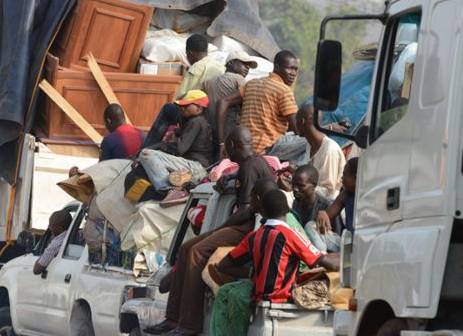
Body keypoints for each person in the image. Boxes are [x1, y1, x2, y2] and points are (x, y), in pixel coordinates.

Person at [143, 126, 274, 336]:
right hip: (244, 224)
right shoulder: (252, 163)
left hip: (248, 227)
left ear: (232, 145)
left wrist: (220, 229)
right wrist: (229, 178)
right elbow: (245, 175)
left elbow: (247, 209)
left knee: (196, 252)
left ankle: (189, 324)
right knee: (186, 248)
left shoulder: (250, 166)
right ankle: (172, 318)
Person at [216, 189, 339, 304]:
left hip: (257, 301)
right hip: (283, 300)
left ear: (263, 212)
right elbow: (330, 264)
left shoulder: (253, 236)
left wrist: (253, 274)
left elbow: (223, 266)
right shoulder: (291, 234)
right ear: (288, 210)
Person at [143, 34, 224, 147]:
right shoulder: (220, 66)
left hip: (198, 114)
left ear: (190, 53)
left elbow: (181, 97)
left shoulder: (196, 67)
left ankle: (146, 147)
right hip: (215, 115)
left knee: (168, 109)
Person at [216, 50, 299, 154]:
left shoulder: (252, 83)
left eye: (296, 70)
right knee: (314, 140)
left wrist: (222, 143)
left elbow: (222, 102)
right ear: (277, 67)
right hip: (267, 147)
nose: (294, 74)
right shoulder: (284, 90)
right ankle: (295, 167)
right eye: (290, 69)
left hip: (245, 146)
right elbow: (296, 128)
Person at [139, 90, 214, 204]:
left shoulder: (196, 122)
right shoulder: (199, 122)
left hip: (195, 167)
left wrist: (158, 147)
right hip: (195, 166)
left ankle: (169, 190)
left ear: (199, 108)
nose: (181, 108)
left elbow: (180, 148)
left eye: (185, 105)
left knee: (146, 154)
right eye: (180, 106)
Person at [200, 51, 257, 141]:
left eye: (249, 65)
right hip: (230, 131)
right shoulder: (239, 79)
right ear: (230, 63)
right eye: (244, 63)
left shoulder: (208, 82)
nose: (247, 67)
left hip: (211, 132)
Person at [296, 104, 346, 199]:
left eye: (296, 121)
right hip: (310, 198)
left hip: (325, 205)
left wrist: (296, 189)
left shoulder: (329, 150)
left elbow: (327, 190)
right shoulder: (310, 145)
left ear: (302, 122)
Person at [292, 164, 342, 253]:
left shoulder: (327, 206)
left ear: (314, 185)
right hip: (307, 248)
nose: (295, 189)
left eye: (300, 185)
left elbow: (335, 238)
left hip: (330, 251)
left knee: (310, 225)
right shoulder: (297, 203)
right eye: (293, 184)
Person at [317, 157, 358, 234]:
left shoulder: (369, 196)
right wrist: (323, 214)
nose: (342, 178)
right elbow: (328, 215)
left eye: (344, 175)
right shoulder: (345, 194)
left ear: (355, 178)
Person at [33, 210, 73, 275]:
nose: (49, 227)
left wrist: (44, 254)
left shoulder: (56, 244)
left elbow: (37, 270)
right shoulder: (74, 235)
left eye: (51, 225)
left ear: (60, 229)